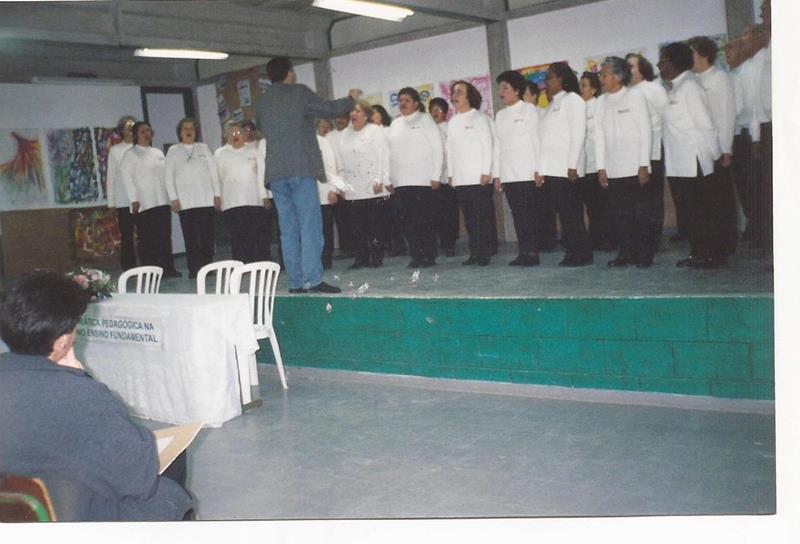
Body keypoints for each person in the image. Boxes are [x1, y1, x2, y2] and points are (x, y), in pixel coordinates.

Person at [0, 271, 193, 521]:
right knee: (170, 476)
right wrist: (81, 378)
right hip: (77, 518)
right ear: (62, 341)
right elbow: (138, 479)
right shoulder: (81, 396)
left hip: (16, 513)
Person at [254, 56, 359, 294]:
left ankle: (295, 282)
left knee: (288, 230)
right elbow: (329, 110)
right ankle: (313, 279)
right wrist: (350, 99)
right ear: (289, 73)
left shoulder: (262, 101)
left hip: (276, 173)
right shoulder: (299, 92)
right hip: (301, 169)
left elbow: (262, 126)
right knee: (310, 226)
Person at [658, 42, 723, 268]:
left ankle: (711, 255)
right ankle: (697, 253)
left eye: (663, 60)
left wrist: (715, 157)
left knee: (702, 212)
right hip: (679, 163)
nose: (659, 65)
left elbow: (706, 125)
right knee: (690, 213)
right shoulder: (674, 88)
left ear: (675, 62)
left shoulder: (690, 86)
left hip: (695, 161)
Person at [594, 57, 653, 267]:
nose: (601, 78)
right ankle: (625, 254)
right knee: (620, 215)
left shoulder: (635, 96)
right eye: (601, 74)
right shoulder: (600, 102)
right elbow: (599, 137)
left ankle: (644, 255)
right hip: (613, 169)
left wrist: (643, 164)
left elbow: (646, 131)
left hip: (636, 167)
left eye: (605, 74)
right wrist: (601, 167)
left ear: (618, 76)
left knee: (641, 214)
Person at [688, 35, 738, 256]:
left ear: (704, 54)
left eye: (691, 52)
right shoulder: (692, 81)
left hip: (717, 150)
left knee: (720, 201)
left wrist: (726, 149)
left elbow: (726, 115)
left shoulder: (719, 78)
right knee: (703, 203)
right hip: (698, 151)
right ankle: (707, 247)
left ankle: (724, 247)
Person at [539, 62, 593, 266]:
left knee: (572, 215)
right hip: (553, 170)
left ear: (561, 78)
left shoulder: (573, 100)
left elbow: (578, 134)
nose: (545, 82)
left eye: (549, 78)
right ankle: (572, 252)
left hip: (568, 170)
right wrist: (542, 169)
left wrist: (572, 166)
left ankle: (582, 254)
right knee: (564, 215)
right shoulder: (551, 105)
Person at [387, 87, 443, 268]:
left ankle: (428, 256)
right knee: (407, 222)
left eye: (407, 100)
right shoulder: (395, 124)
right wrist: (389, 178)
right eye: (400, 101)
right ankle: (416, 255)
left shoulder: (426, 120)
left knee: (424, 221)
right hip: (401, 181)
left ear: (416, 104)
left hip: (422, 181)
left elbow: (438, 148)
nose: (403, 104)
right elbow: (388, 153)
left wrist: (436, 175)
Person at [493, 70, 542, 266]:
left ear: (517, 90)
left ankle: (533, 253)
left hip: (527, 172)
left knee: (529, 214)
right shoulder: (500, 115)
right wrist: (497, 175)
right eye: (500, 88)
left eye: (505, 88)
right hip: (508, 173)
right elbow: (497, 146)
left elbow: (536, 140)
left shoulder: (529, 110)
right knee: (517, 215)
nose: (501, 92)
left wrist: (538, 169)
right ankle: (523, 251)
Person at [121, 121, 181, 277]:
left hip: (162, 201)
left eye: (148, 131)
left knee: (164, 237)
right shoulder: (130, 155)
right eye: (143, 131)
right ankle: (151, 272)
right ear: (136, 135)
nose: (147, 134)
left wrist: (172, 197)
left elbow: (166, 175)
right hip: (144, 204)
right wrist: (134, 199)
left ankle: (168, 269)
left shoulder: (157, 153)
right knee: (147, 239)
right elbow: (127, 179)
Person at [447, 80, 497, 266]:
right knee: (469, 219)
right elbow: (450, 150)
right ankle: (474, 252)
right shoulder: (453, 122)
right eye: (454, 92)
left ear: (469, 96)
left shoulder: (480, 118)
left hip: (478, 178)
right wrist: (451, 174)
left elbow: (488, 146)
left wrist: (486, 171)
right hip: (461, 179)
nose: (455, 95)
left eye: (460, 92)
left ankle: (484, 254)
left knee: (481, 218)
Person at [164, 118, 221, 279]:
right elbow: (168, 176)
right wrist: (173, 198)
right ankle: (194, 269)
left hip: (206, 200)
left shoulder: (203, 148)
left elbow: (214, 172)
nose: (189, 131)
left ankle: (208, 267)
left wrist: (217, 194)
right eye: (185, 129)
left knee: (207, 236)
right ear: (180, 133)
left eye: (192, 129)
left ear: (196, 132)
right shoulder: (173, 150)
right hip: (185, 202)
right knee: (191, 238)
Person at [338, 101, 390, 269]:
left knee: (374, 225)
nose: (353, 114)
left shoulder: (374, 130)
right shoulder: (344, 134)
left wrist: (379, 179)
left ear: (366, 115)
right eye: (352, 111)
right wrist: (341, 186)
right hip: (352, 186)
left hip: (372, 185)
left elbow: (382, 156)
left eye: (358, 111)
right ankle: (360, 258)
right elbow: (340, 162)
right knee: (356, 226)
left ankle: (376, 258)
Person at [626, 52, 669, 256]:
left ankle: (654, 239)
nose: (628, 70)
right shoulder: (626, 93)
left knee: (652, 198)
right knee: (638, 200)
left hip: (653, 151)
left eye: (632, 66)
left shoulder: (653, 89)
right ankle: (640, 238)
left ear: (642, 68)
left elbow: (666, 117)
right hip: (633, 155)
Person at [214, 122, 272, 264]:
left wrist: (265, 196)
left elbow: (261, 176)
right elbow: (216, 178)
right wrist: (217, 196)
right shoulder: (220, 153)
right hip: (232, 203)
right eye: (232, 133)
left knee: (256, 236)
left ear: (245, 135)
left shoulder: (255, 151)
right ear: (227, 136)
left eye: (239, 132)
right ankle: (241, 266)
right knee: (238, 237)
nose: (236, 135)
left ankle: (258, 266)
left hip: (254, 201)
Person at [578, 70, 615, 251]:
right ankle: (595, 238)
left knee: (603, 205)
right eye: (580, 85)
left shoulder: (599, 106)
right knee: (591, 206)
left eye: (584, 86)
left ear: (593, 89)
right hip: (583, 166)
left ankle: (608, 239)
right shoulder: (578, 108)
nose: (581, 89)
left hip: (598, 164)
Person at [372, 103, 407, 258]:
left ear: (382, 115)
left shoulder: (389, 131)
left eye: (376, 113)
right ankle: (387, 244)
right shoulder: (368, 133)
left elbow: (390, 156)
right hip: (375, 180)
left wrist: (388, 178)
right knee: (381, 217)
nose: (373, 116)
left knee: (394, 215)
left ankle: (399, 245)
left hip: (390, 179)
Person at [106, 115, 138, 271]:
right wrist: (111, 203)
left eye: (133, 127)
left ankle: (149, 265)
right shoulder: (115, 150)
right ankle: (129, 268)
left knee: (147, 235)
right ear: (122, 131)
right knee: (127, 236)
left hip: (143, 200)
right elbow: (110, 178)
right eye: (128, 127)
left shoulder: (141, 148)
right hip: (124, 201)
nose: (131, 130)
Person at [429, 97, 459, 257]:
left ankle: (450, 243)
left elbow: (451, 153)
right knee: (435, 213)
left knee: (449, 213)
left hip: (448, 178)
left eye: (439, 110)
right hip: (432, 180)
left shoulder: (449, 128)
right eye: (433, 110)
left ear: (445, 113)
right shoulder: (428, 130)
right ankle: (442, 241)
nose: (435, 113)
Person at [316, 133, 343, 270]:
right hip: (306, 194)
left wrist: (333, 189)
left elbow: (332, 167)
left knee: (325, 229)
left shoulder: (323, 142)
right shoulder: (298, 141)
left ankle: (326, 260)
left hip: (324, 191)